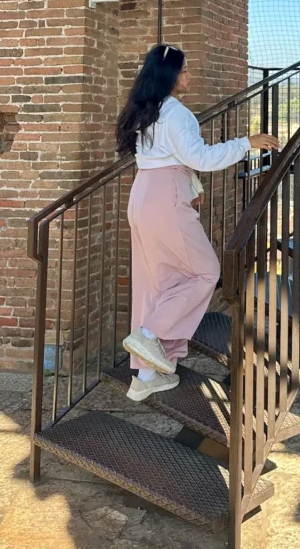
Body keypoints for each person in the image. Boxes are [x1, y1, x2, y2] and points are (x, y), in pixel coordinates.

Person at [115, 43, 280, 402]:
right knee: (205, 271)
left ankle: (146, 376)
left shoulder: (145, 109)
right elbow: (199, 157)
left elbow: (164, 159)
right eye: (185, 70)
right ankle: (151, 334)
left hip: (144, 195)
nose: (189, 75)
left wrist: (189, 184)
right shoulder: (176, 113)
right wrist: (246, 143)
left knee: (155, 284)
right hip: (165, 201)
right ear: (171, 75)